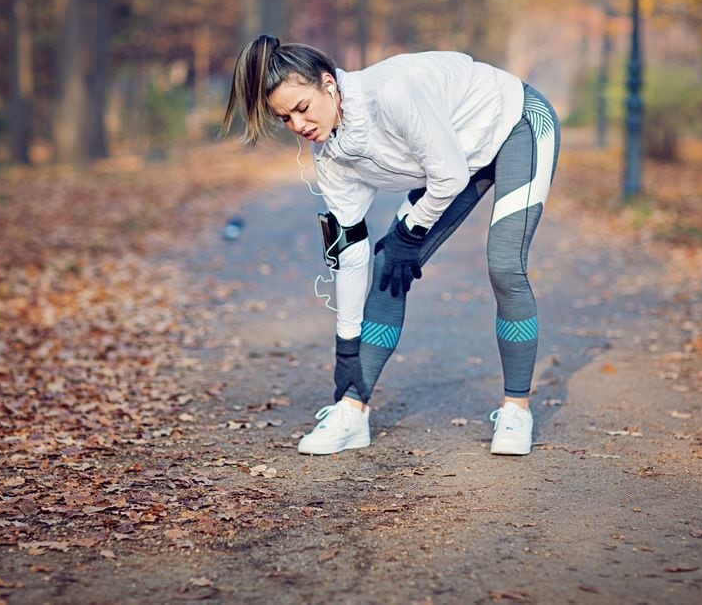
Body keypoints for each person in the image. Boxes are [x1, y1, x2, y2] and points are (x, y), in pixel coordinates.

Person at [222, 35, 560, 456]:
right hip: (456, 157)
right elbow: (349, 252)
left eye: (302, 108)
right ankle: (352, 411)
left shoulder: (392, 95)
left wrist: (410, 230)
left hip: (516, 125)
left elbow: (450, 177)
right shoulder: (328, 157)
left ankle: (516, 409)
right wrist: (346, 346)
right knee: (387, 267)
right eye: (285, 118)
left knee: (505, 264)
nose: (299, 125)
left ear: (328, 84)